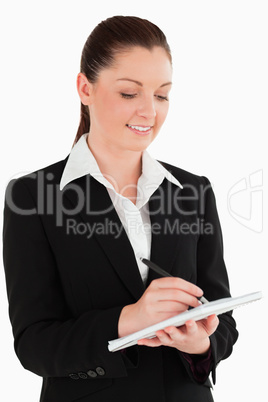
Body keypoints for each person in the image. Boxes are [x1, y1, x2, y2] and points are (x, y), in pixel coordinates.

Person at [3, 15, 238, 402]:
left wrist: (199, 343)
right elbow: (33, 344)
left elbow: (222, 318)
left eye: (161, 95)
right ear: (85, 89)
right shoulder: (33, 197)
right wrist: (130, 320)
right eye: (129, 93)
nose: (150, 111)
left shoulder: (193, 191)